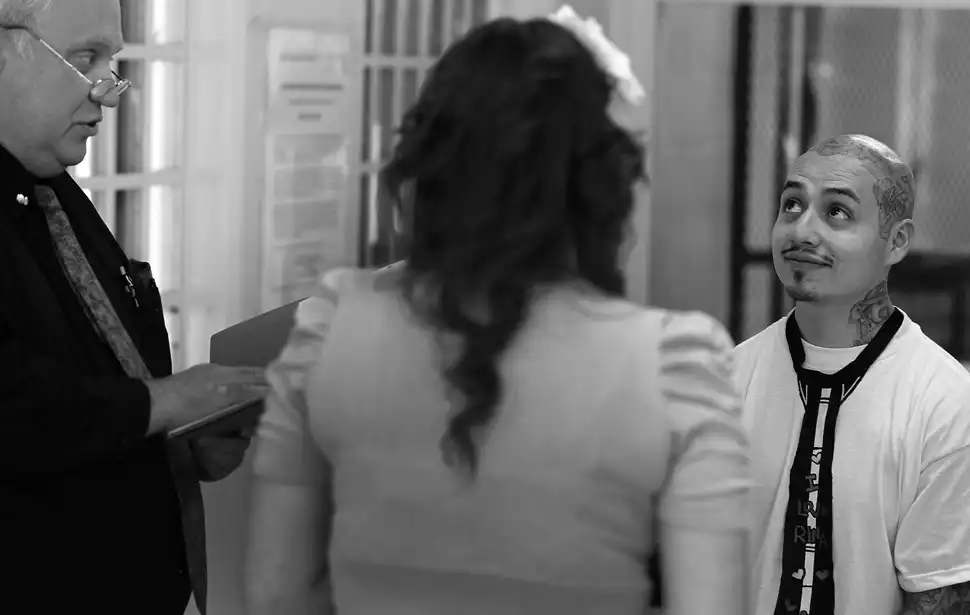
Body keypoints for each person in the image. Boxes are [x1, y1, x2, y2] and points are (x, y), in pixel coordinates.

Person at [245, 11, 751, 615]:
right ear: (598, 183)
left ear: (429, 167)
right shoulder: (674, 366)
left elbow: (276, 595)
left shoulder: (331, 328)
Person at [0, 1, 268, 613]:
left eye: (111, 62)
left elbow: (90, 383)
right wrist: (166, 402)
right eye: (85, 58)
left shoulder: (52, 187)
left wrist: (174, 442)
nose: (110, 93)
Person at [734, 133, 970, 615]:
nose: (802, 231)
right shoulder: (729, 378)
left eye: (837, 211)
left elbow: (939, 595)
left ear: (896, 241)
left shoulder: (944, 401)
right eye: (792, 205)